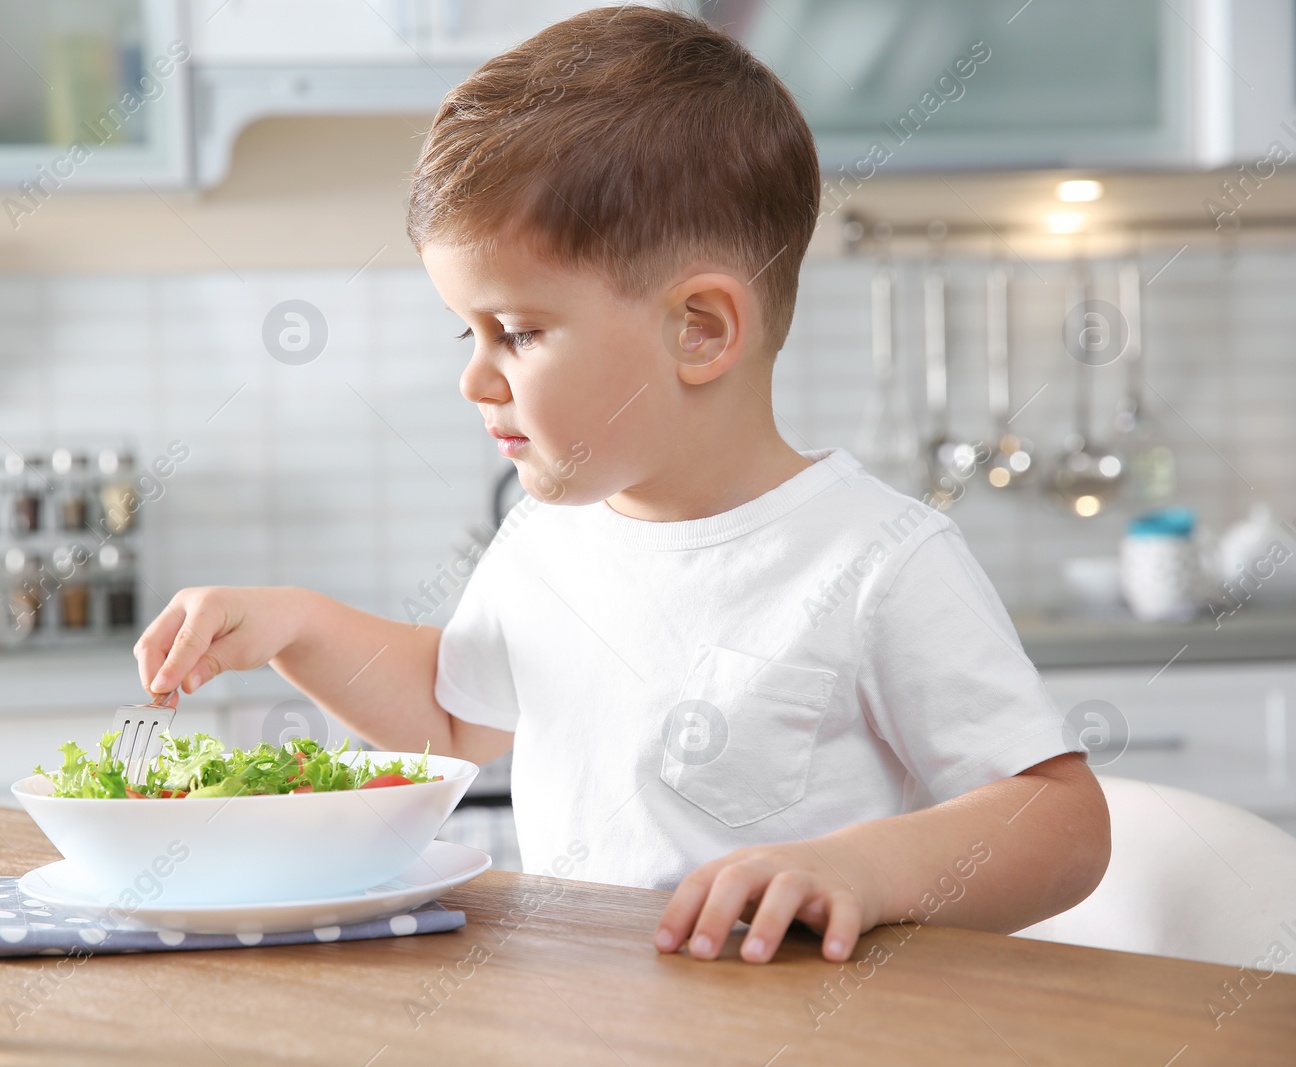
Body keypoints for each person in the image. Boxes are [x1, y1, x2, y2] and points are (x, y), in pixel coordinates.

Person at [135, 6, 1110, 965]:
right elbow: (450, 716)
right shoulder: (547, 541)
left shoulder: (876, 561)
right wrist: (295, 625)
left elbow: (1062, 823)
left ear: (700, 330)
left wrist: (862, 866)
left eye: (514, 331)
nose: (473, 378)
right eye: (464, 333)